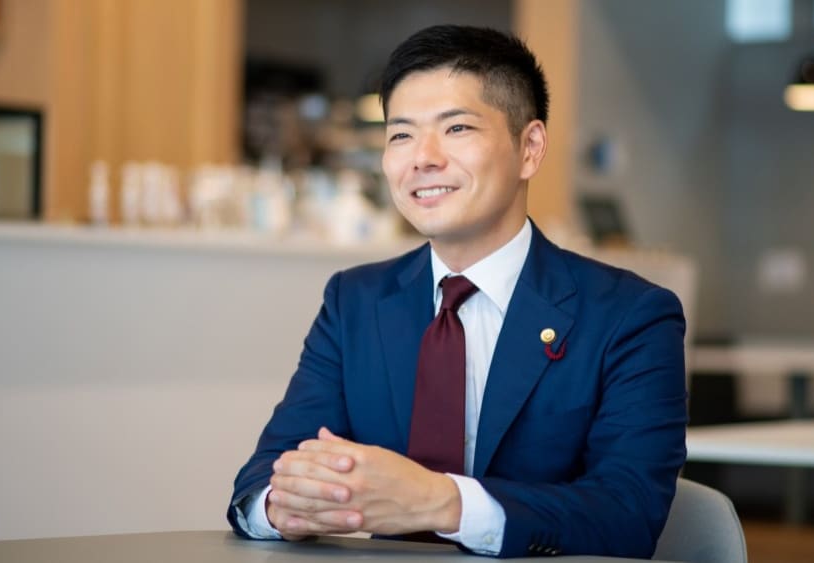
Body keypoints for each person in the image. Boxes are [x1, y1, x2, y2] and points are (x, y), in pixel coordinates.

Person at [227, 24, 687, 559]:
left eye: (457, 128)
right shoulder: (355, 301)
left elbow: (628, 514)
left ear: (530, 148)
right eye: (400, 135)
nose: (422, 157)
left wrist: (442, 503)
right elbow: (266, 474)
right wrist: (280, 506)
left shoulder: (631, 316)